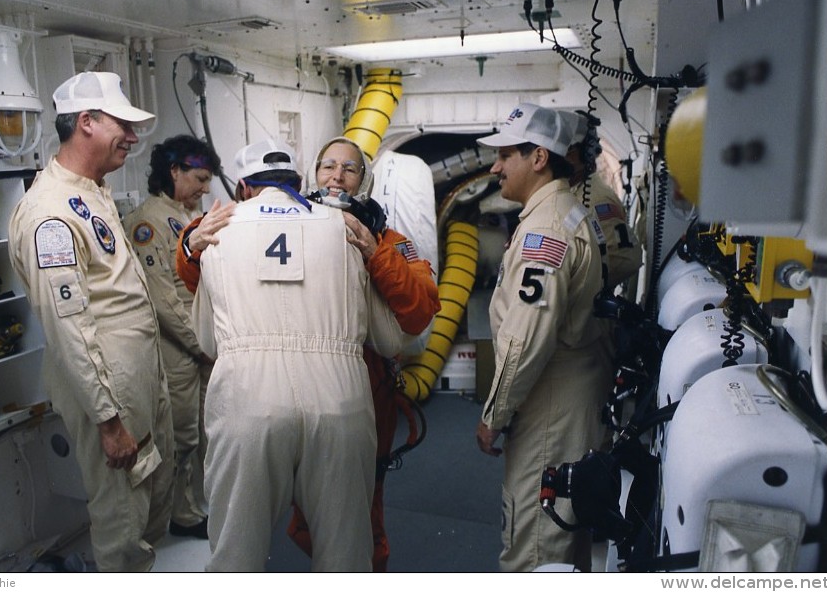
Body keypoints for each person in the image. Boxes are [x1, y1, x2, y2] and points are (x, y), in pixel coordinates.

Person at [175, 136, 440, 571]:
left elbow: (419, 307)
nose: (337, 176)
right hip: (343, 398)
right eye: (329, 166)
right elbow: (394, 338)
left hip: (253, 398)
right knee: (345, 551)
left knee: (236, 552)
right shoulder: (345, 235)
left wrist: (378, 253)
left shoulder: (379, 238)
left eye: (350, 169)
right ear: (304, 178)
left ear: (243, 187)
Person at [8, 71, 175, 572]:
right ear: (86, 122)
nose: (132, 135)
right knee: (121, 517)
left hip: (136, 376)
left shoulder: (92, 192)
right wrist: (107, 420)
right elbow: (69, 326)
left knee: (147, 501)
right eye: (122, 124)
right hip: (108, 391)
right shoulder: (50, 214)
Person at [474, 103, 611, 572]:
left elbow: (525, 337)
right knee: (563, 538)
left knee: (534, 545)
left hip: (550, 401)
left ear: (538, 158)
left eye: (505, 155)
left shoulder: (545, 230)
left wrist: (495, 412)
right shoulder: (568, 212)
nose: (495, 167)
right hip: (572, 391)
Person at [122, 135, 222, 540]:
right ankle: (180, 514)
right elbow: (164, 299)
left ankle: (195, 504)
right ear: (174, 171)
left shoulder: (186, 218)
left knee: (203, 430)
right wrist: (202, 346)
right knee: (182, 436)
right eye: (199, 178)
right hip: (178, 348)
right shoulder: (148, 224)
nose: (206, 187)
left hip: (199, 345)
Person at [561, 110, 642, 291]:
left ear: (574, 155)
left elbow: (625, 260)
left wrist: (580, 290)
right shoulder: (575, 193)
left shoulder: (594, 198)